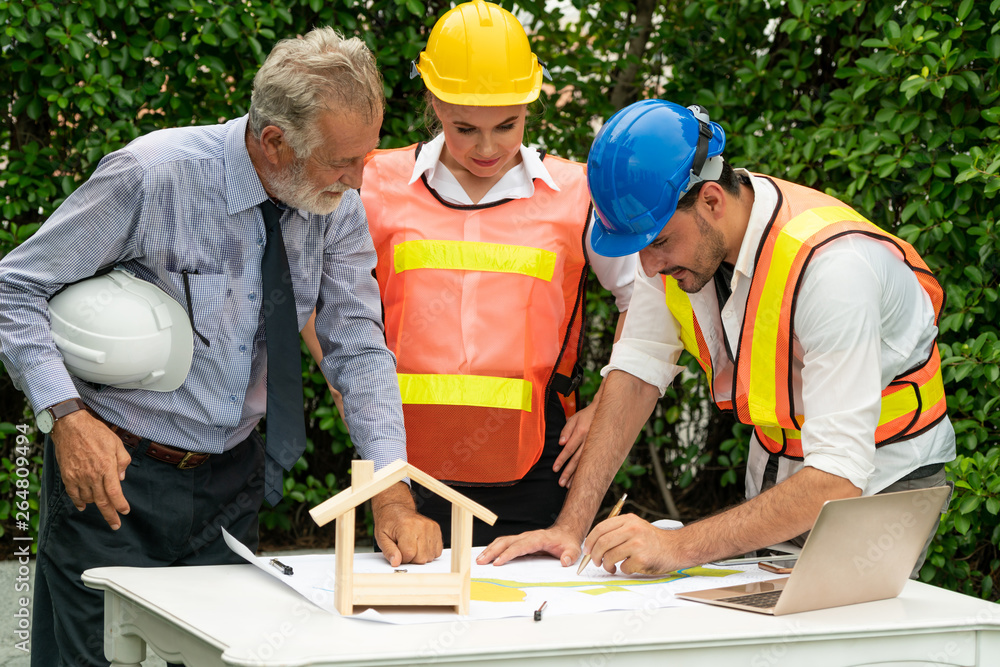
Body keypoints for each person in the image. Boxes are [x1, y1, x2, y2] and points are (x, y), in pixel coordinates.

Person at [0, 28, 439, 667]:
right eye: (343, 162)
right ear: (274, 143)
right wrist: (65, 416)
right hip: (117, 473)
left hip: (234, 478)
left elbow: (356, 346)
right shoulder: (152, 175)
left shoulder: (335, 205)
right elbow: (14, 288)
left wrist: (391, 491)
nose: (357, 180)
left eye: (365, 159)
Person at [478, 99, 956, 576]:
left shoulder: (833, 270)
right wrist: (570, 529)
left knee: (838, 636)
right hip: (782, 475)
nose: (647, 268)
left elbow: (838, 477)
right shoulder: (673, 244)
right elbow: (635, 372)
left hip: (883, 480)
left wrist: (678, 546)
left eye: (659, 243)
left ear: (711, 199)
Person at [305, 0, 635, 546]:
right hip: (402, 470)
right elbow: (311, 295)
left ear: (530, 104)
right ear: (434, 103)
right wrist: (349, 389)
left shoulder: (576, 194)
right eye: (465, 128)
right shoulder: (376, 183)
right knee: (406, 619)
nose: (488, 148)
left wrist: (605, 407)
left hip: (538, 469)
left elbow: (644, 297)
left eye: (507, 125)